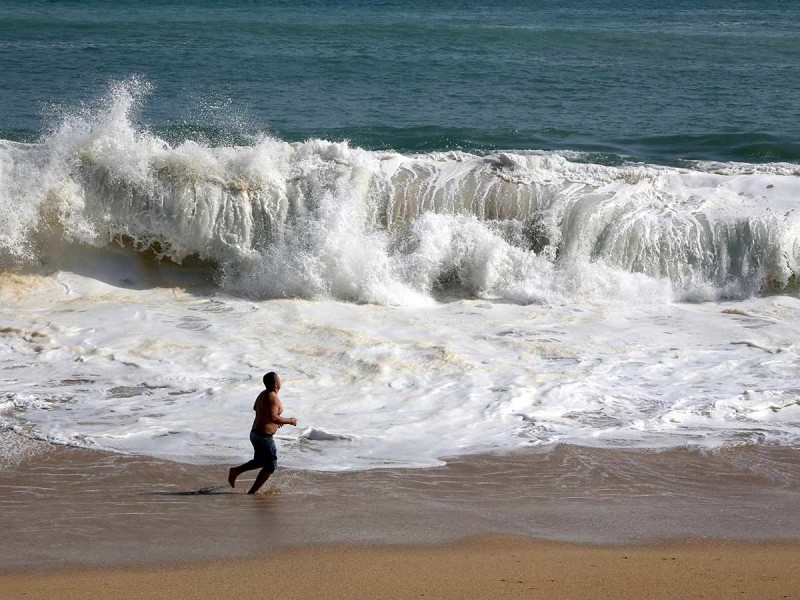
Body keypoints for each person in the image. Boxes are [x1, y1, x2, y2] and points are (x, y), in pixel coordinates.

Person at [228, 372, 297, 494]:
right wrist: (289, 421)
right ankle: (252, 492)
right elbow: (273, 418)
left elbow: (258, 409)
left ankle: (236, 471)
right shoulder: (273, 397)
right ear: (276, 384)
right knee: (271, 466)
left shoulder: (263, 394)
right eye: (279, 380)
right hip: (264, 437)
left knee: (260, 461)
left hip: (255, 433)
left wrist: (275, 419)